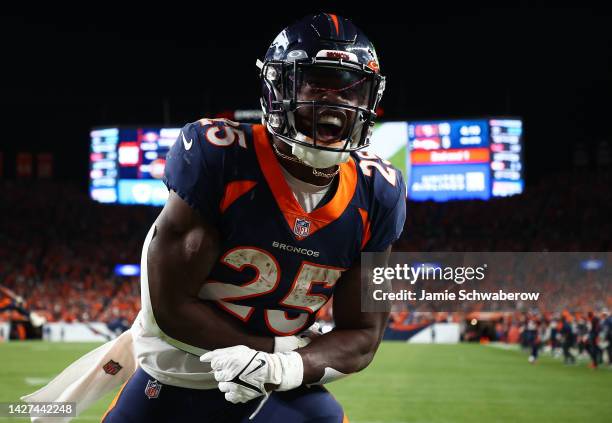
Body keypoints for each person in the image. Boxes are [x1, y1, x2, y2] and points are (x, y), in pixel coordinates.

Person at [24, 13, 406, 423]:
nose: (335, 102)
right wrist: (274, 354)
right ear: (278, 89)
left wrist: (283, 369)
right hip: (177, 374)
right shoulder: (219, 156)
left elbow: (364, 336)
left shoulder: (378, 192)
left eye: (351, 89)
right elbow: (169, 307)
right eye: (317, 81)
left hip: (275, 384)